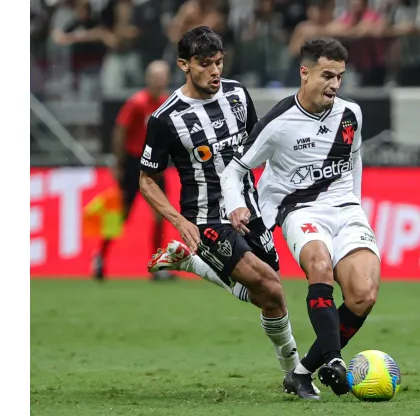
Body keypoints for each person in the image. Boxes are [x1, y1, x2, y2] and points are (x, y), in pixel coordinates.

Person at [137, 26, 312, 388]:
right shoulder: (165, 119)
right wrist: (179, 221)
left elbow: (257, 148)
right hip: (207, 218)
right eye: (205, 64)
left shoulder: (236, 95)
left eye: (219, 62)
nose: (215, 71)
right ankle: (295, 373)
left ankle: (192, 264)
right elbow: (147, 180)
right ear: (184, 65)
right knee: (273, 287)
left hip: (249, 211)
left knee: (268, 296)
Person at [220, 37, 381, 400]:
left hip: (345, 209)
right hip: (299, 210)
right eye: (327, 75)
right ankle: (335, 361)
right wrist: (236, 205)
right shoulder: (278, 122)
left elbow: (354, 159)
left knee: (364, 296)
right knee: (320, 266)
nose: (335, 85)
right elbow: (235, 170)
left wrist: (354, 202)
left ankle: (302, 371)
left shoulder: (351, 114)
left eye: (340, 76)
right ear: (304, 73)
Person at [92, 60, 171, 281]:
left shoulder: (166, 102)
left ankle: (158, 267)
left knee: (160, 215)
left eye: (163, 76)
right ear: (149, 79)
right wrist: (117, 162)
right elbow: (120, 131)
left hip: (155, 165)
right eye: (156, 76)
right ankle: (100, 257)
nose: (159, 80)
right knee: (122, 215)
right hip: (133, 164)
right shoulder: (137, 102)